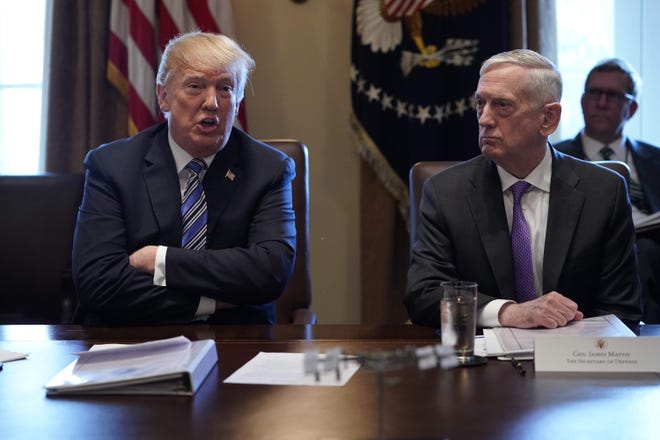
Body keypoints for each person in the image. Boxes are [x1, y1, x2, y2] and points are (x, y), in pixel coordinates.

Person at [405, 49, 641, 329]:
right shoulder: (445, 192)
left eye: (503, 105)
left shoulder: (604, 192)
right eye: (481, 103)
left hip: (575, 351)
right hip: (482, 353)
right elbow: (424, 295)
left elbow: (622, 310)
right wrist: (508, 313)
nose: (484, 119)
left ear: (548, 119)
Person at [72, 32, 296, 325]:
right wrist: (210, 302)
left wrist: (160, 260)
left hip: (234, 340)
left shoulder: (268, 169)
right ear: (163, 96)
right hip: (133, 339)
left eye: (226, 88)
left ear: (238, 101)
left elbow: (270, 272)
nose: (212, 102)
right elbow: (97, 282)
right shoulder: (112, 166)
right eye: (195, 86)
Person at [554, 58, 660, 323]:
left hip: (651, 250)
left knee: (645, 249)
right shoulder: (554, 157)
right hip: (585, 250)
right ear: (582, 101)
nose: (601, 103)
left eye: (612, 95)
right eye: (594, 93)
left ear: (631, 108)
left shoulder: (655, 159)